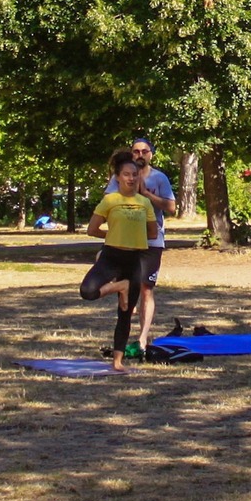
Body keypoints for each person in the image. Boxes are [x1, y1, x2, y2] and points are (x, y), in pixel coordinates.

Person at [83, 151, 157, 371]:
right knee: (87, 291)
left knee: (125, 314)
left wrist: (131, 234)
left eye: (135, 174)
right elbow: (92, 230)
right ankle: (119, 286)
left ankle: (118, 361)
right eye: (126, 174)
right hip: (110, 257)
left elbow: (152, 233)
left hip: (135, 260)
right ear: (118, 177)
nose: (131, 178)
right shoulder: (110, 200)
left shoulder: (144, 202)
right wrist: (115, 234)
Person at [105, 138, 175, 350]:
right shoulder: (121, 177)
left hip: (152, 241)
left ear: (151, 154)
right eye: (136, 151)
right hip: (125, 241)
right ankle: (122, 338)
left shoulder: (158, 178)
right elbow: (107, 202)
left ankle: (143, 339)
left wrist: (147, 195)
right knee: (125, 289)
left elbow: (171, 207)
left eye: (145, 151)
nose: (140, 155)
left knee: (146, 289)